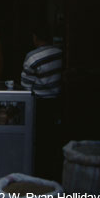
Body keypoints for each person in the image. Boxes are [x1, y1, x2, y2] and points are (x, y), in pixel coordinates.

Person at [20, 23, 63, 182]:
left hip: (39, 103)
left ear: (35, 37)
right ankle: (52, 172)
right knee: (52, 139)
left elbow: (26, 86)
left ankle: (38, 175)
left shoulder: (32, 58)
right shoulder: (60, 53)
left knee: (38, 140)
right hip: (56, 101)